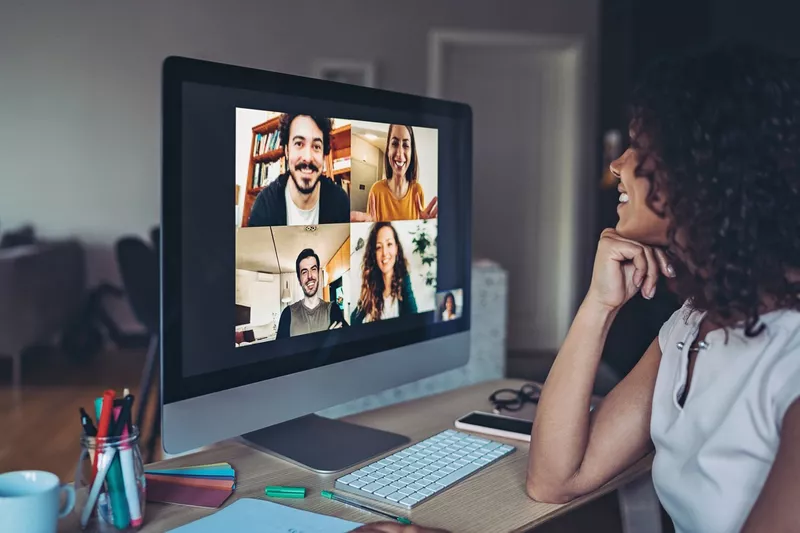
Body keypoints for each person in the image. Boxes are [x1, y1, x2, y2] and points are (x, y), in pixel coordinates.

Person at [526, 44, 800, 533]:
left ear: (704, 174)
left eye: (640, 149)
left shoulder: (790, 358)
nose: (617, 165)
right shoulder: (694, 322)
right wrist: (599, 305)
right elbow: (556, 479)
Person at [248, 114, 350, 226]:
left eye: (316, 146)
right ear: (287, 151)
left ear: (323, 155)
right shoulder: (265, 205)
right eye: (299, 144)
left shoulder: (340, 202)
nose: (307, 157)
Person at [350, 125, 438, 222]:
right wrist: (369, 227)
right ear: (388, 150)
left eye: (405, 145)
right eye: (395, 144)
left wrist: (426, 226)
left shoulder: (417, 190)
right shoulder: (376, 190)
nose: (399, 154)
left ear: (411, 152)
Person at [351, 222, 418, 324]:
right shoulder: (371, 287)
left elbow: (415, 321)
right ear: (374, 254)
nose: (384, 253)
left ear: (396, 248)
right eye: (379, 247)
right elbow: (354, 320)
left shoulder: (404, 282)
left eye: (389, 244)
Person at [277, 248, 347, 338]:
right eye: (304, 272)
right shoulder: (287, 314)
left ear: (318, 274)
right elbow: (279, 351)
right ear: (299, 280)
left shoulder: (333, 309)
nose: (310, 276)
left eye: (313, 269)